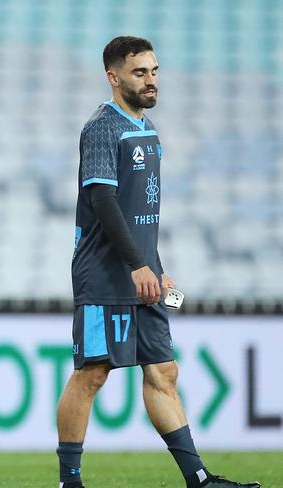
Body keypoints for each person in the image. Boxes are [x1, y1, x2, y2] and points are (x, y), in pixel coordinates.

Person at [55, 36, 260, 488]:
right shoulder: (103, 127)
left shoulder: (147, 130)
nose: (151, 80)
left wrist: (156, 264)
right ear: (113, 77)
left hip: (142, 273)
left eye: (154, 71)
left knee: (164, 370)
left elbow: (141, 213)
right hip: (106, 275)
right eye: (139, 72)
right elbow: (104, 201)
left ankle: (199, 478)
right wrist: (136, 264)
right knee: (92, 372)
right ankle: (69, 481)